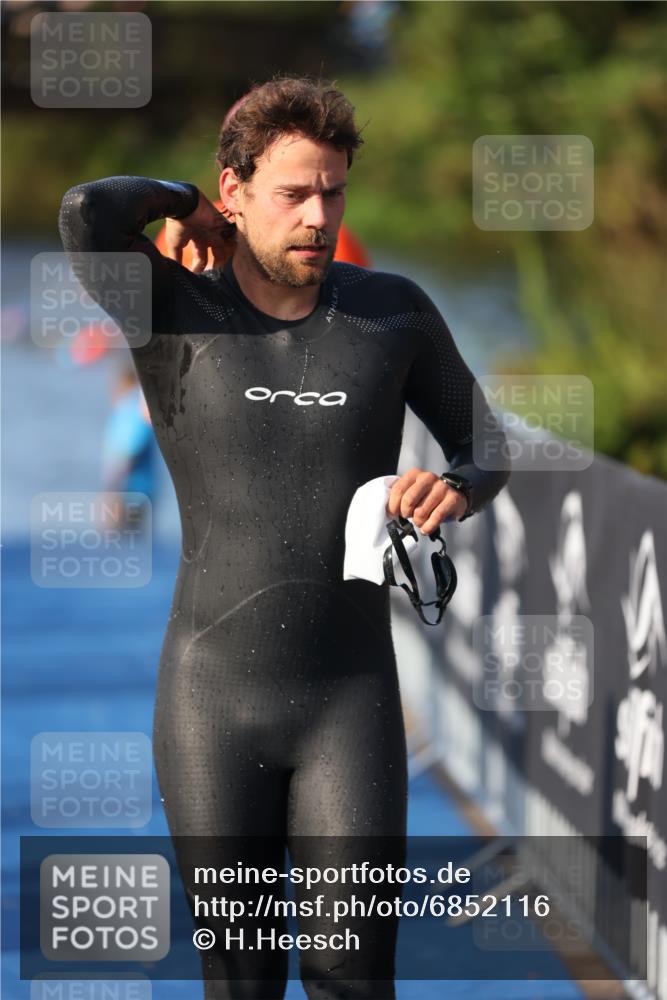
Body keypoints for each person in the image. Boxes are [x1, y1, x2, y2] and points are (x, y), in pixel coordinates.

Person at [58, 75, 510, 1000]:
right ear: (235, 191)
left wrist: (452, 488)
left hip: (351, 704)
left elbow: (486, 444)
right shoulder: (174, 310)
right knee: (243, 985)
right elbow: (86, 213)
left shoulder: (391, 313)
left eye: (333, 191)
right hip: (210, 705)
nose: (317, 215)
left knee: (353, 980)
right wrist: (182, 206)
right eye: (292, 192)